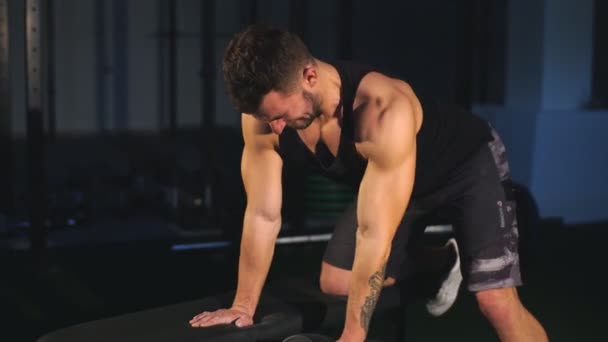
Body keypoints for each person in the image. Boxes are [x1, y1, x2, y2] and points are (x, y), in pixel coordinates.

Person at [189, 24, 548, 342]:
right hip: (395, 186)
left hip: (466, 167)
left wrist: (352, 335)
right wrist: (243, 305)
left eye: (281, 115)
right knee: (335, 281)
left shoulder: (379, 110)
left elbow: (373, 235)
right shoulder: (263, 119)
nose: (276, 128)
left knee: (495, 301)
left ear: (309, 77)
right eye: (267, 118)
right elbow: (263, 215)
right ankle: (442, 261)